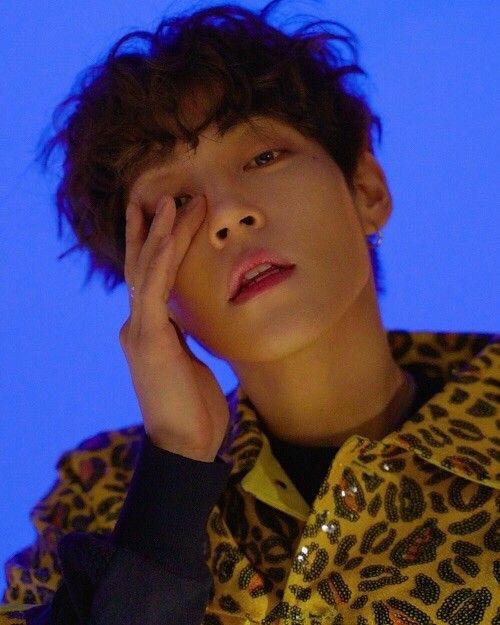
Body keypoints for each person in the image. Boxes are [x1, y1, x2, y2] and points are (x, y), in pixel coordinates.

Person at [1, 1, 498, 623]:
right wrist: (174, 473)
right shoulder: (95, 502)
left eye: (264, 158)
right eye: (177, 203)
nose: (230, 214)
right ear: (150, 282)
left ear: (366, 191)